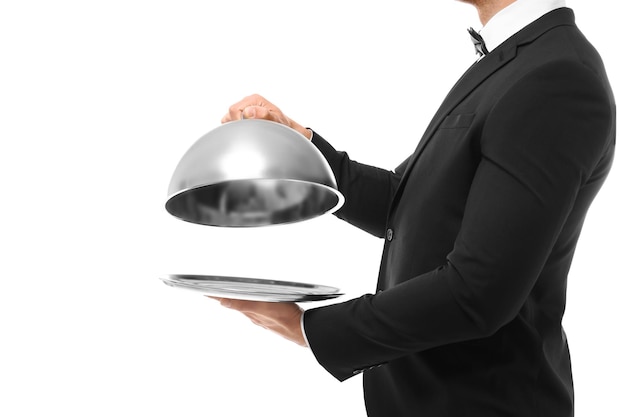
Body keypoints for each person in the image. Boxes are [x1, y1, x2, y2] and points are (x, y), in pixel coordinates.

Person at [214, 0, 616, 415]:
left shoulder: (556, 77)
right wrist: (301, 150)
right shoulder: (521, 58)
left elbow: (479, 292)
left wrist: (308, 329)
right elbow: (409, 202)